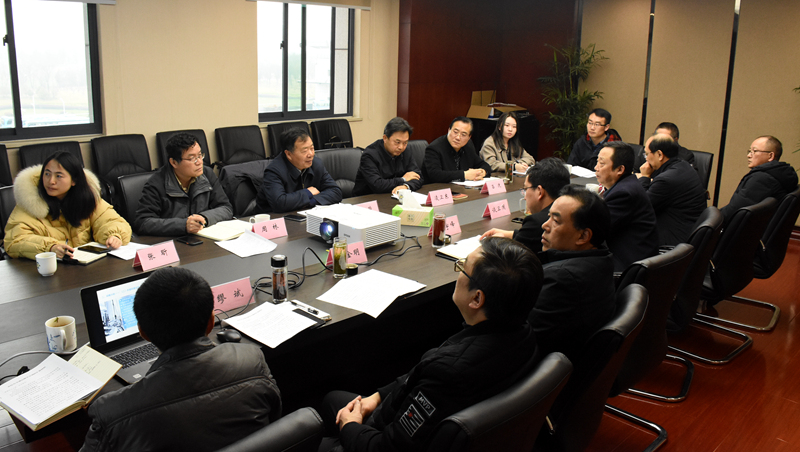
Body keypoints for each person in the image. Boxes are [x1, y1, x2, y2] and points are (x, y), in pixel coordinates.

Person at [318, 237, 542, 452]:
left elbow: (388, 447)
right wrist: (377, 397)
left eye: (462, 267)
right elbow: (416, 377)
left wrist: (350, 426)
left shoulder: (448, 374)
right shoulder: (523, 333)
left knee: (315, 428)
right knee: (332, 399)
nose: (458, 273)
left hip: (386, 438)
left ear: (477, 299)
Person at [80, 267, 282, 452]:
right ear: (211, 321)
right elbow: (274, 425)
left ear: (143, 332)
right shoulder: (253, 361)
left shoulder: (112, 412)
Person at [531, 185, 615, 362]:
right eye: (548, 217)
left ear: (583, 236)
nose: (544, 225)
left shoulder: (561, 280)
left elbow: (524, 340)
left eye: (556, 221)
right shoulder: (601, 258)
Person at [4, 152, 131, 260]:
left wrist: (114, 235)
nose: (51, 181)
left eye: (58, 176)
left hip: (86, 267)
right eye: (47, 174)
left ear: (74, 180)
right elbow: (15, 241)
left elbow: (112, 221)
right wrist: (50, 247)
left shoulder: (88, 199)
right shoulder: (29, 203)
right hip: (48, 270)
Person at [135, 133, 233, 236]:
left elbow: (226, 208)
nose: (199, 162)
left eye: (200, 155)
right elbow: (142, 222)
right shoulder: (156, 184)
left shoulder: (207, 174)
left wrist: (204, 218)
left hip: (202, 237)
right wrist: (183, 225)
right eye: (192, 158)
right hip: (173, 240)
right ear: (174, 162)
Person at [480, 158, 569, 253]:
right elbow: (531, 237)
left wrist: (498, 242)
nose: (525, 197)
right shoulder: (570, 211)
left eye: (526, 189)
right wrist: (511, 234)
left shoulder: (537, 222)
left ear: (539, 192)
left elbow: (512, 256)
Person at [594, 142, 659, 271]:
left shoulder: (624, 193)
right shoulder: (626, 184)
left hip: (629, 266)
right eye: (597, 162)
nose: (596, 167)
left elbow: (597, 230)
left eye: (601, 163)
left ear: (620, 169)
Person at [637, 133, 707, 246]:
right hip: (688, 232)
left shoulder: (666, 180)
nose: (646, 159)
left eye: (647, 154)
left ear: (659, 154)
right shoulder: (683, 166)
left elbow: (640, 207)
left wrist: (644, 177)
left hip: (673, 242)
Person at [256, 127, 342, 213]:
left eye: (312, 148)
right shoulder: (274, 171)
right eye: (304, 151)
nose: (311, 154)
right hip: (273, 218)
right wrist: (308, 192)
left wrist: (311, 202)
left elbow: (336, 192)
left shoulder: (316, 164)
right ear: (288, 154)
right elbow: (279, 203)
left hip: (304, 214)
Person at [719, 135, 798, 225]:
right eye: (749, 151)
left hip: (743, 230)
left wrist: (711, 220)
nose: (749, 155)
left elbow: (734, 211)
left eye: (755, 151)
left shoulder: (762, 179)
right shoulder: (780, 174)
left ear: (770, 156)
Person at [353, 117, 423, 196]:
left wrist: (405, 186)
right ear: (385, 138)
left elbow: (418, 177)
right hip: (368, 199)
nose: (401, 147)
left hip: (394, 197)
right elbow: (377, 185)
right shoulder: (369, 155)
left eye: (405, 143)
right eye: (397, 142)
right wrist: (403, 179)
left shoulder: (406, 151)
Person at [422, 117, 492, 183]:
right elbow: (435, 175)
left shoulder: (468, 146)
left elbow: (483, 164)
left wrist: (482, 172)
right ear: (449, 130)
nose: (458, 137)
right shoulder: (434, 148)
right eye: (455, 132)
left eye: (463, 134)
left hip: (460, 188)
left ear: (469, 137)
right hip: (436, 189)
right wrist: (464, 175)